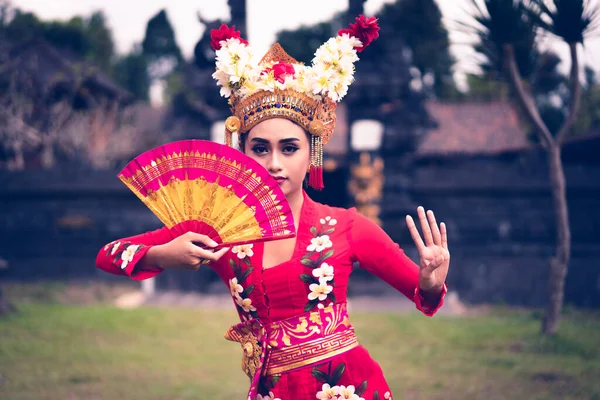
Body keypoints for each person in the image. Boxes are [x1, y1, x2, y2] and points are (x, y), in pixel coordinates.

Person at [96, 15, 450, 400]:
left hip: (348, 388)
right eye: (260, 148)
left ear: (312, 154)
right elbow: (108, 255)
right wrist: (164, 254)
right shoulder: (219, 232)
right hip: (272, 390)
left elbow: (423, 295)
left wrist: (430, 281)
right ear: (242, 153)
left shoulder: (347, 226)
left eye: (289, 148)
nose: (275, 163)